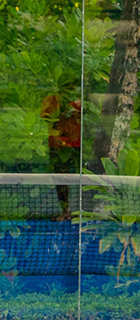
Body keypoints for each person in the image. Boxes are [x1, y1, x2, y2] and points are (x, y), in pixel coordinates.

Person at [40, 87, 82, 221]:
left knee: (79, 178)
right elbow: (44, 119)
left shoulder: (79, 103)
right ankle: (65, 211)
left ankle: (77, 211)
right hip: (57, 147)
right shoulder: (51, 100)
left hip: (76, 146)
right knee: (60, 180)